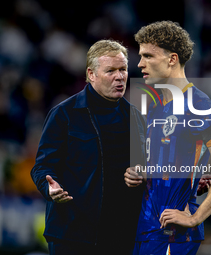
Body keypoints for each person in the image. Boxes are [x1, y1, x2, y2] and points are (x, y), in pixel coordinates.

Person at [124, 21, 211, 255]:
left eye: (148, 56)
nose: (140, 64)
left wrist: (195, 218)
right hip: (147, 229)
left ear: (172, 59)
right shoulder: (156, 105)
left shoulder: (198, 105)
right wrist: (138, 173)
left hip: (172, 233)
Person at [31, 39, 146, 255]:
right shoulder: (64, 114)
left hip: (121, 236)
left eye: (122, 69)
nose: (119, 76)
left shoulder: (136, 118)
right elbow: (42, 166)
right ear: (91, 74)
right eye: (110, 70)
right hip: (72, 235)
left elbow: (146, 166)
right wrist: (49, 188)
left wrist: (142, 173)